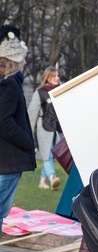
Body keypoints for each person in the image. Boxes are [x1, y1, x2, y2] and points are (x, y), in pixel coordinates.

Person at [0, 24, 36, 235]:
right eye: (22, 58)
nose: (25, 61)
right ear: (13, 60)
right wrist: (27, 142)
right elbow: (4, 121)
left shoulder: (8, 83)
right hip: (8, 161)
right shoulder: (10, 84)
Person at [28, 66, 62, 190]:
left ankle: (42, 182)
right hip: (44, 128)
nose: (57, 78)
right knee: (47, 155)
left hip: (56, 128)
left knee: (52, 154)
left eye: (57, 75)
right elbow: (32, 114)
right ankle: (53, 178)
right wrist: (29, 135)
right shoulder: (40, 92)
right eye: (54, 76)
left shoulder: (60, 90)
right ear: (47, 77)